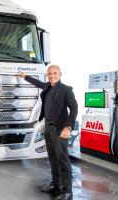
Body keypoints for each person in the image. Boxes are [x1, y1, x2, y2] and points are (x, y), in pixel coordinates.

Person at [19, 65, 78, 200]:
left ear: (60, 74)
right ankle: (55, 185)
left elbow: (74, 109)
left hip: (60, 128)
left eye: (55, 73)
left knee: (63, 159)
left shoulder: (66, 90)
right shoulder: (47, 87)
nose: (52, 76)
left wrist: (68, 127)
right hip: (49, 126)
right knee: (52, 157)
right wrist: (24, 76)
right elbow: (37, 83)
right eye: (50, 73)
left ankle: (68, 191)